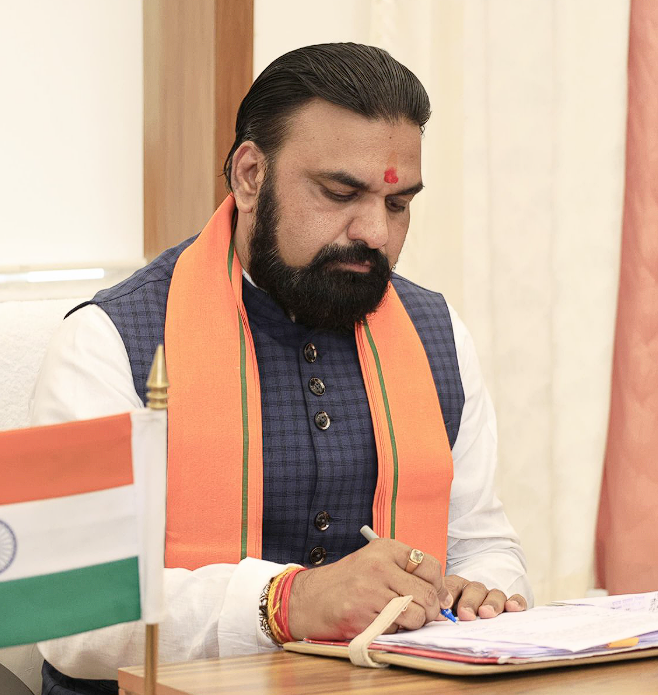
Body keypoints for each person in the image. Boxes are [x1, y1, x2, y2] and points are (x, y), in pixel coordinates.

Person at [30, 42, 532, 694]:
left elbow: (480, 539)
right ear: (248, 176)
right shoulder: (108, 344)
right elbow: (75, 622)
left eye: (398, 203)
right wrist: (285, 602)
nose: (376, 232)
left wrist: (480, 592)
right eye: (339, 192)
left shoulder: (438, 333)